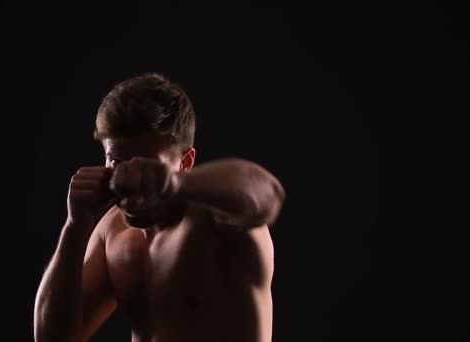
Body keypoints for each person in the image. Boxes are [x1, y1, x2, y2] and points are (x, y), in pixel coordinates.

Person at [33, 73, 285, 342]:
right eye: (117, 163)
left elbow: (267, 193)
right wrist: (75, 228)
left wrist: (171, 184)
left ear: (185, 162)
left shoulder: (218, 219)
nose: (131, 182)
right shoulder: (113, 232)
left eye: (147, 166)